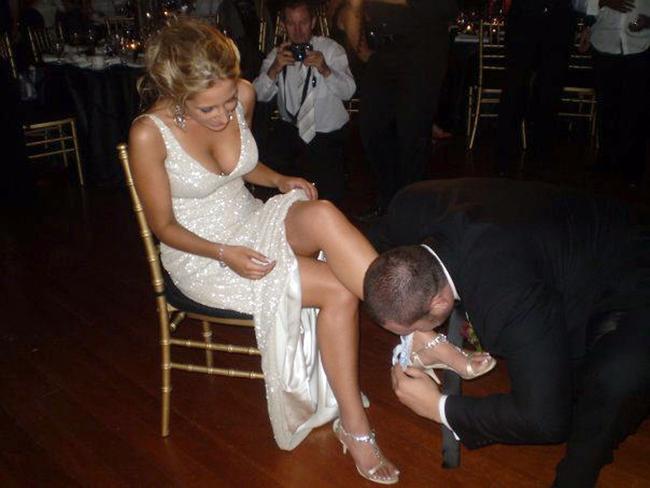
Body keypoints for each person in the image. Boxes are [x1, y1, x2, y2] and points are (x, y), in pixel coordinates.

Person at [129, 17, 404, 485]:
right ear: (176, 94)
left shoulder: (245, 95)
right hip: (202, 254)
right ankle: (355, 427)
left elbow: (237, 167)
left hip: (248, 219)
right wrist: (224, 252)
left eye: (228, 102)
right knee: (339, 291)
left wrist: (277, 180)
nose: (223, 115)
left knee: (322, 212)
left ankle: (410, 328)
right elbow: (163, 227)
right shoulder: (148, 134)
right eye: (207, 109)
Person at [363, 178, 650, 487]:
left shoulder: (507, 299)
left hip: (634, 275)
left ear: (439, 302)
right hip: (566, 230)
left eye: (412, 330)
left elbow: (544, 420)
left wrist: (438, 406)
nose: (410, 337)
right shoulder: (409, 205)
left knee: (610, 387)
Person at [339, 0, 458, 219]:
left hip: (422, 50)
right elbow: (351, 11)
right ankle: (388, 201)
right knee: (371, 127)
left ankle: (409, 210)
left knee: (411, 134)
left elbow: (446, 7)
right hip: (383, 50)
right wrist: (361, 53)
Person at [253, 0, 356, 203]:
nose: (298, 30)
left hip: (327, 132)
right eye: (291, 23)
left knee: (331, 195)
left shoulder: (331, 49)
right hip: (291, 129)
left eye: (303, 22)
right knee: (270, 171)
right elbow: (256, 94)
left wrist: (326, 70)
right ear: (283, 25)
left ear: (313, 22)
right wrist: (274, 70)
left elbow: (349, 92)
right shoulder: (278, 54)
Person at [574, 0, 650, 187]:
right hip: (604, 42)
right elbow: (578, 3)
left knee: (636, 110)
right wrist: (603, 2)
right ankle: (606, 161)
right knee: (607, 108)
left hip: (641, 44)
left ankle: (633, 167)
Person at [496, 0, 575, 172]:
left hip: (556, 20)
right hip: (526, 18)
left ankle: (541, 152)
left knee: (549, 90)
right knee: (515, 88)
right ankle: (506, 153)